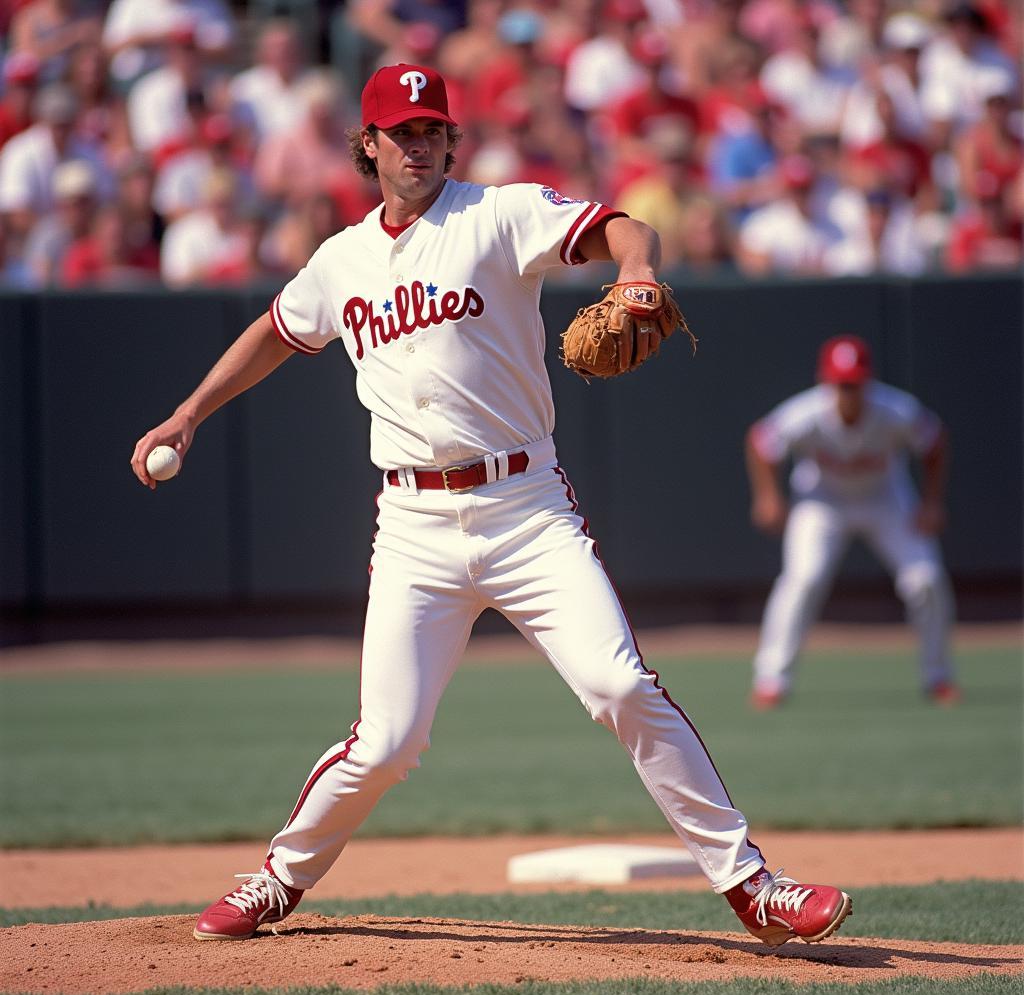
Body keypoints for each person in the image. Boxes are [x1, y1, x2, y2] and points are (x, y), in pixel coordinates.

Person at [131, 62, 852, 948]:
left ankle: (753, 887)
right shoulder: (342, 260)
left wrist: (635, 275)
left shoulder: (499, 212)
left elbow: (628, 227)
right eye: (402, 131)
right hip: (413, 529)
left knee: (619, 683)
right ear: (370, 145)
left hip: (526, 508)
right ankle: (280, 878)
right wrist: (189, 411)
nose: (421, 142)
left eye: (433, 127)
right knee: (388, 742)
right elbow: (277, 333)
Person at [745, 334, 960, 709]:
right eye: (841, 384)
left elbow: (935, 440)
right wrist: (768, 495)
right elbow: (761, 441)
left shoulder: (896, 409)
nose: (848, 391)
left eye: (854, 384)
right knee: (803, 579)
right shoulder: (807, 412)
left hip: (886, 498)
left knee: (925, 580)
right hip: (822, 501)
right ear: (826, 381)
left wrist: (932, 502)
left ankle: (938, 676)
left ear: (868, 381)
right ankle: (771, 679)